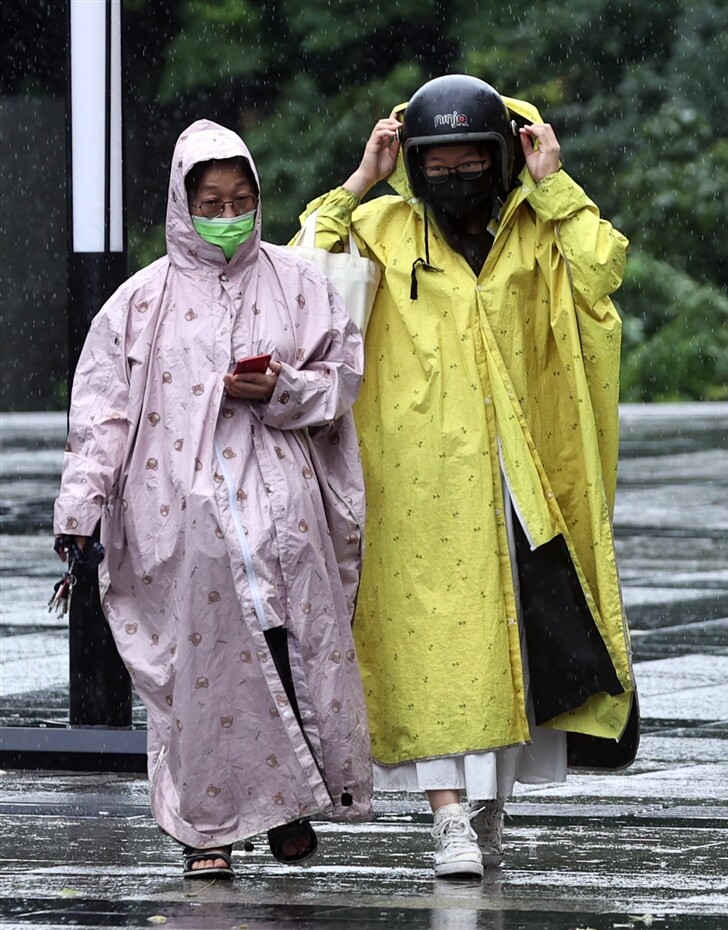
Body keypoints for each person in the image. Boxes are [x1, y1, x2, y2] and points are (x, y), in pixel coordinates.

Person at [296, 74, 636, 880]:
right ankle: (445, 816)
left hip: (519, 479)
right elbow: (303, 275)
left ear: (501, 157)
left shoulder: (537, 231)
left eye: (470, 160)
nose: (454, 176)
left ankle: (488, 810)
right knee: (424, 651)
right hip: (413, 484)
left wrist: (553, 181)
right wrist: (358, 182)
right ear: (413, 162)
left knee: (520, 647)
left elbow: (602, 273)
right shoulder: (380, 229)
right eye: (435, 162)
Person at [54, 120, 371, 878]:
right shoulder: (138, 304)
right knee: (199, 679)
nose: (226, 216)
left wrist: (281, 389)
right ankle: (207, 833)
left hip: (280, 508)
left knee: (285, 652)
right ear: (181, 204)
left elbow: (340, 382)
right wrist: (79, 514)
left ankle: (290, 805)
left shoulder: (299, 284)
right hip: (183, 515)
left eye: (240, 199)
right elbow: (101, 416)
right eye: (211, 201)